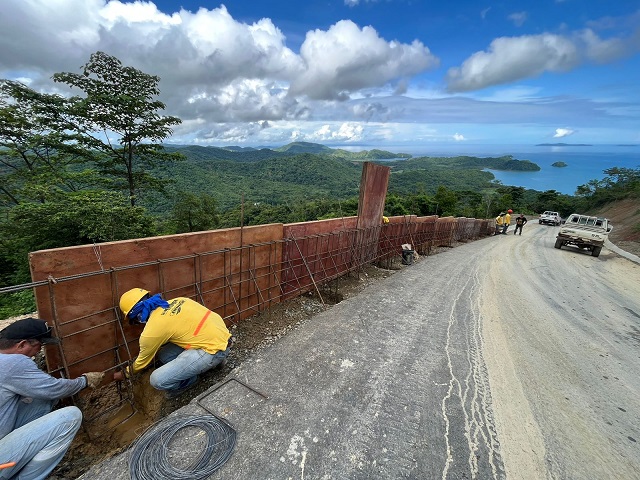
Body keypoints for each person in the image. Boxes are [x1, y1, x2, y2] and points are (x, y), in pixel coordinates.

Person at [0, 318, 104, 480]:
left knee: (40, 400)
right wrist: (84, 381)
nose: (38, 353)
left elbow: (45, 392)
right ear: (22, 345)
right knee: (70, 417)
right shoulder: (13, 362)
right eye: (38, 347)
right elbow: (54, 389)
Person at [114, 288, 231, 398]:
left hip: (214, 350)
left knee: (156, 380)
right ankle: (214, 363)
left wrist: (124, 374)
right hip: (223, 337)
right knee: (164, 354)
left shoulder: (152, 330)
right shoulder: (179, 300)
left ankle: (191, 381)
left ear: (137, 316)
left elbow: (141, 363)